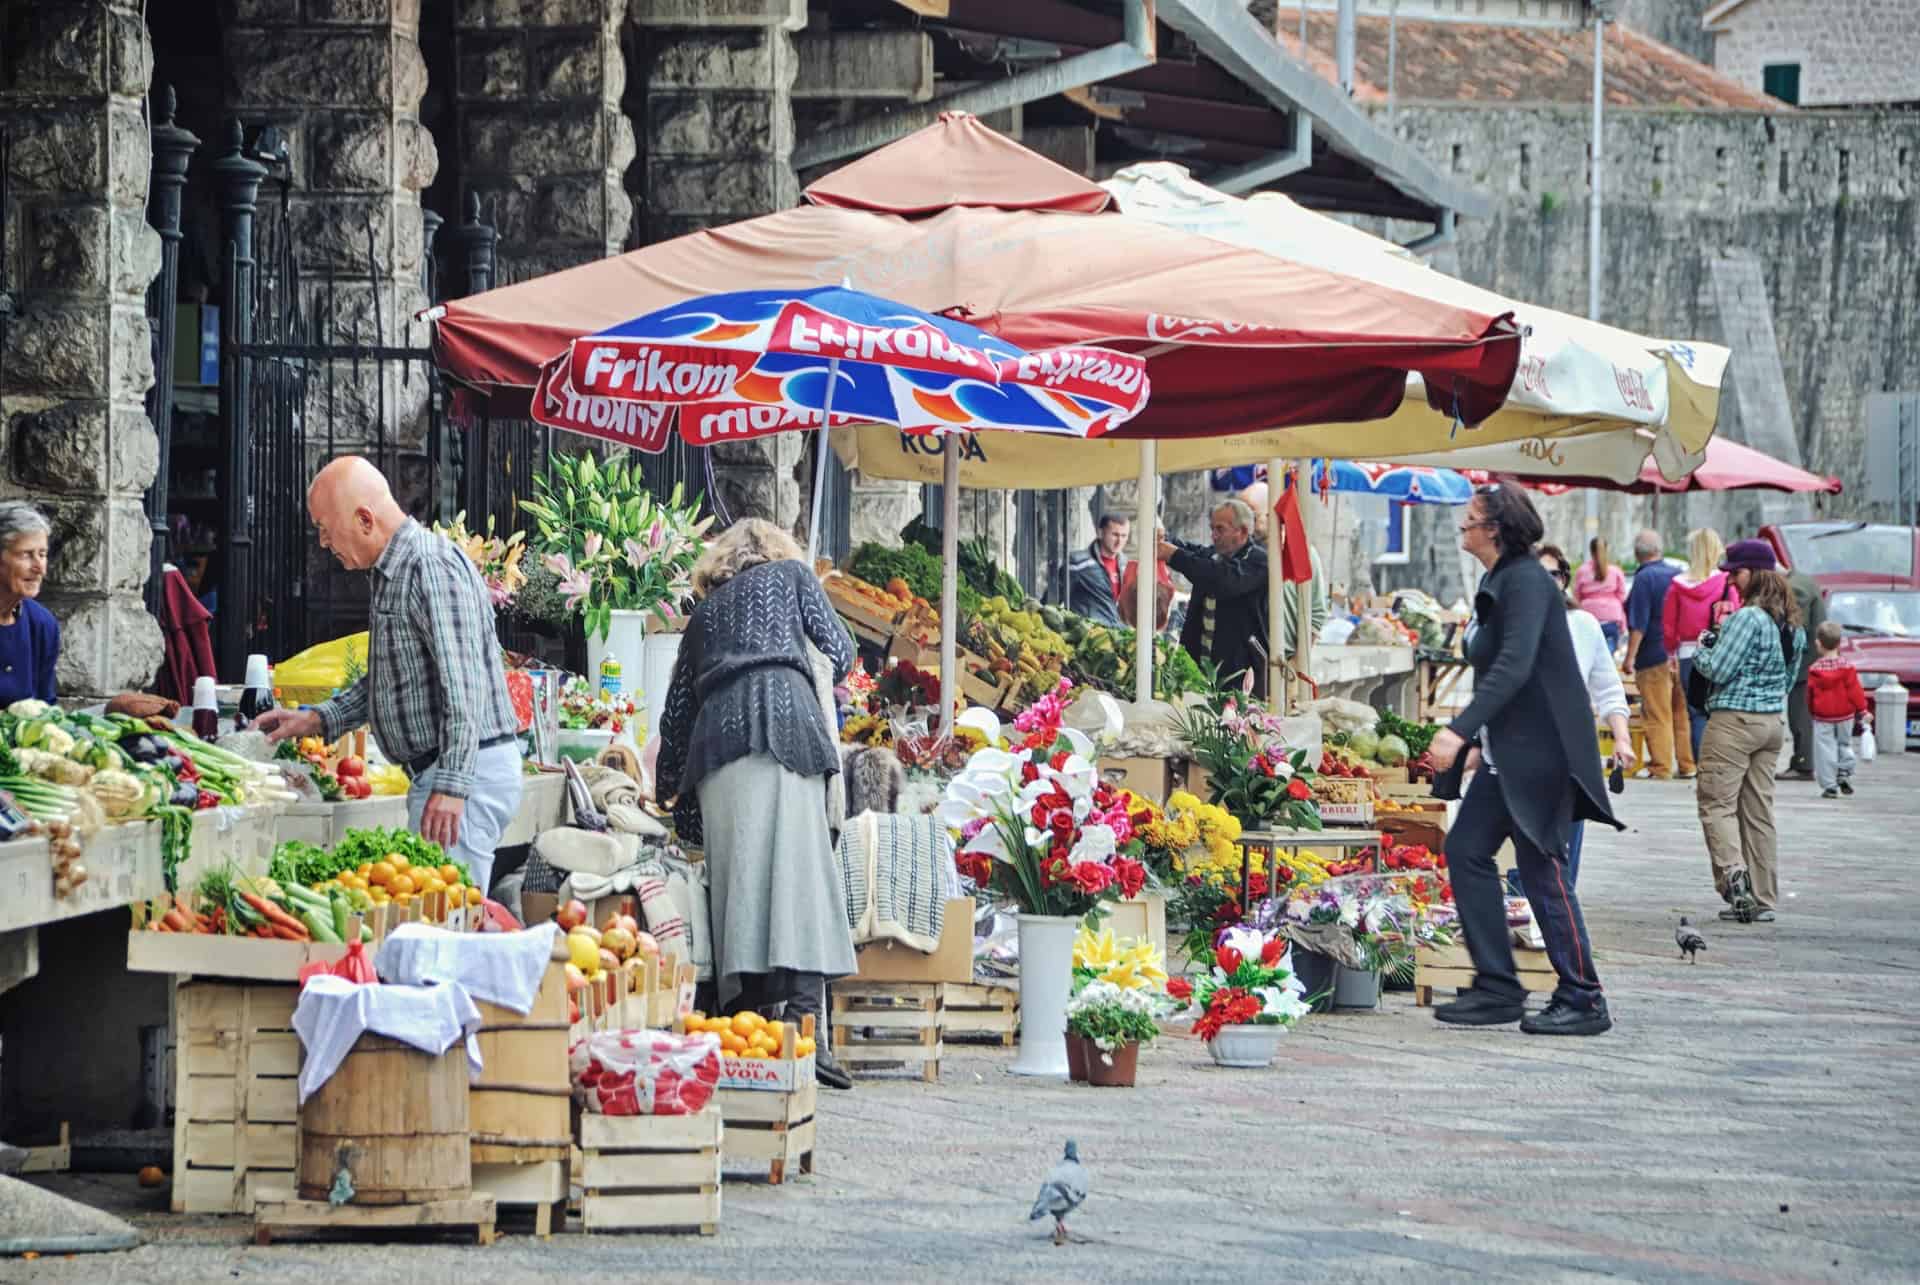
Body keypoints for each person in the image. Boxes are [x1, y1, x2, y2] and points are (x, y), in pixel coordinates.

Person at [654, 519, 858, 1090]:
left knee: (739, 889)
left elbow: (676, 715)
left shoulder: (703, 617)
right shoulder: (794, 576)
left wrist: (667, 789)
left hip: (718, 749)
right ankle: (802, 1030)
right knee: (801, 884)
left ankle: (748, 1034)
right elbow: (841, 652)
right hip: (790, 730)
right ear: (778, 552)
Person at [257, 457, 524, 891]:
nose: (323, 542)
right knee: (434, 920)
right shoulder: (393, 571)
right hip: (444, 772)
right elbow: (390, 678)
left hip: (461, 775)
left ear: (364, 519)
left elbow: (464, 686)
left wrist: (454, 786)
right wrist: (317, 719)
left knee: (442, 930)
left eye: (325, 527)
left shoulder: (427, 566)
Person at [1429, 485, 1621, 1036]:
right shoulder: (1499, 579)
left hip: (1544, 751)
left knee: (1541, 869)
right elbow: (1497, 672)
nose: (1461, 528)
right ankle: (1497, 985)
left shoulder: (1530, 581)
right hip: (1507, 751)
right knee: (1466, 850)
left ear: (1495, 528)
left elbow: (1514, 665)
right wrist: (1476, 741)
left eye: (1469, 521)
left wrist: (1458, 730)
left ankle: (1584, 996)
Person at [1691, 540, 1805, 925]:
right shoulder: (1791, 623)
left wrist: (1701, 649)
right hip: (1772, 725)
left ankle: (1734, 880)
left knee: (1716, 804)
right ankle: (1764, 896)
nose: (1731, 581)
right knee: (1759, 812)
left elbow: (1718, 670)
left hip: (1733, 722)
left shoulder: (1746, 618)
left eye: (1735, 572)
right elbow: (1788, 680)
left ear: (1755, 573)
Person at [1534, 544, 1634, 887]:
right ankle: (1524, 913)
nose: (1548, 582)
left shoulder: (1584, 624)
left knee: (1564, 848)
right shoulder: (1508, 623)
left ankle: (1559, 921)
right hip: (1518, 751)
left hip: (1571, 750)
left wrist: (1621, 737)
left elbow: (1608, 688)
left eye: (1555, 574)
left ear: (1564, 580)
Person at [1162, 499, 1269, 698]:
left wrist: (1174, 555)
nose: (1214, 536)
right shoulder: (1216, 555)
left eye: (1220, 529)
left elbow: (1222, 580)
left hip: (1239, 672)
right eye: (1212, 529)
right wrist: (1166, 539)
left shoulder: (1258, 561)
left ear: (1243, 532)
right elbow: (1195, 552)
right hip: (1200, 665)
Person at [1664, 528, 1739, 761]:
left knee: (1696, 713)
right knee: (1721, 712)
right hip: (1721, 652)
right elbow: (1736, 616)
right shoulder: (1727, 583)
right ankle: (1721, 761)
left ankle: (1702, 764)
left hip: (1688, 653)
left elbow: (1668, 625)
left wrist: (1671, 653)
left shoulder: (1677, 585)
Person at [1622, 529, 1691, 780]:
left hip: (1652, 654)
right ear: (1659, 550)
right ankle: (1687, 764)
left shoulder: (1644, 579)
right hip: (1680, 653)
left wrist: (1630, 657)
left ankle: (1660, 766)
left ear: (1637, 553)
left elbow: (1638, 623)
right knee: (1680, 712)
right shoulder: (1677, 575)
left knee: (1657, 712)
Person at [0, 502, 58, 708]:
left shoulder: (42, 624)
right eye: (26, 554)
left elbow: (46, 708)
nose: (38, 567)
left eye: (42, 554)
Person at [1806, 620, 1870, 799]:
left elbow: (1810, 695)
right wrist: (1863, 710)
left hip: (1823, 715)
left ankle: (1829, 786)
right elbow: (1855, 691)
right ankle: (1844, 772)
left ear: (1818, 643)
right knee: (1845, 743)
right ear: (1840, 643)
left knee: (1824, 749)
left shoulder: (1814, 670)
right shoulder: (1848, 668)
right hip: (1845, 714)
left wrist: (1812, 711)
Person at [1781, 563, 1827, 780]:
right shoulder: (1801, 579)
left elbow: (1796, 625)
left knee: (1799, 715)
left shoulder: (1795, 588)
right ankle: (1803, 762)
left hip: (1805, 663)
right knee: (1801, 714)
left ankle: (1803, 764)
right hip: (1809, 661)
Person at [1064, 514, 1129, 625]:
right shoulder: (1078, 563)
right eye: (1115, 535)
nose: (1119, 541)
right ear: (1100, 533)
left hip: (1116, 636)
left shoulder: (1125, 565)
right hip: (1087, 635)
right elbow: (1052, 598)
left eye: (1124, 536)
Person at [1573, 536, 1628, 653]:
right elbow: (1622, 598)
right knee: (1608, 657)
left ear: (1590, 551)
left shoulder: (1582, 571)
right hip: (1612, 620)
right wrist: (1623, 624)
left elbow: (1576, 597)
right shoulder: (1616, 571)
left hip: (1588, 619)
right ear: (1606, 550)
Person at [1119, 522, 1176, 634]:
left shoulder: (1163, 564)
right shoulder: (1132, 566)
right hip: (1135, 625)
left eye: (1162, 537)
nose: (1160, 541)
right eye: (1156, 537)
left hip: (1155, 628)